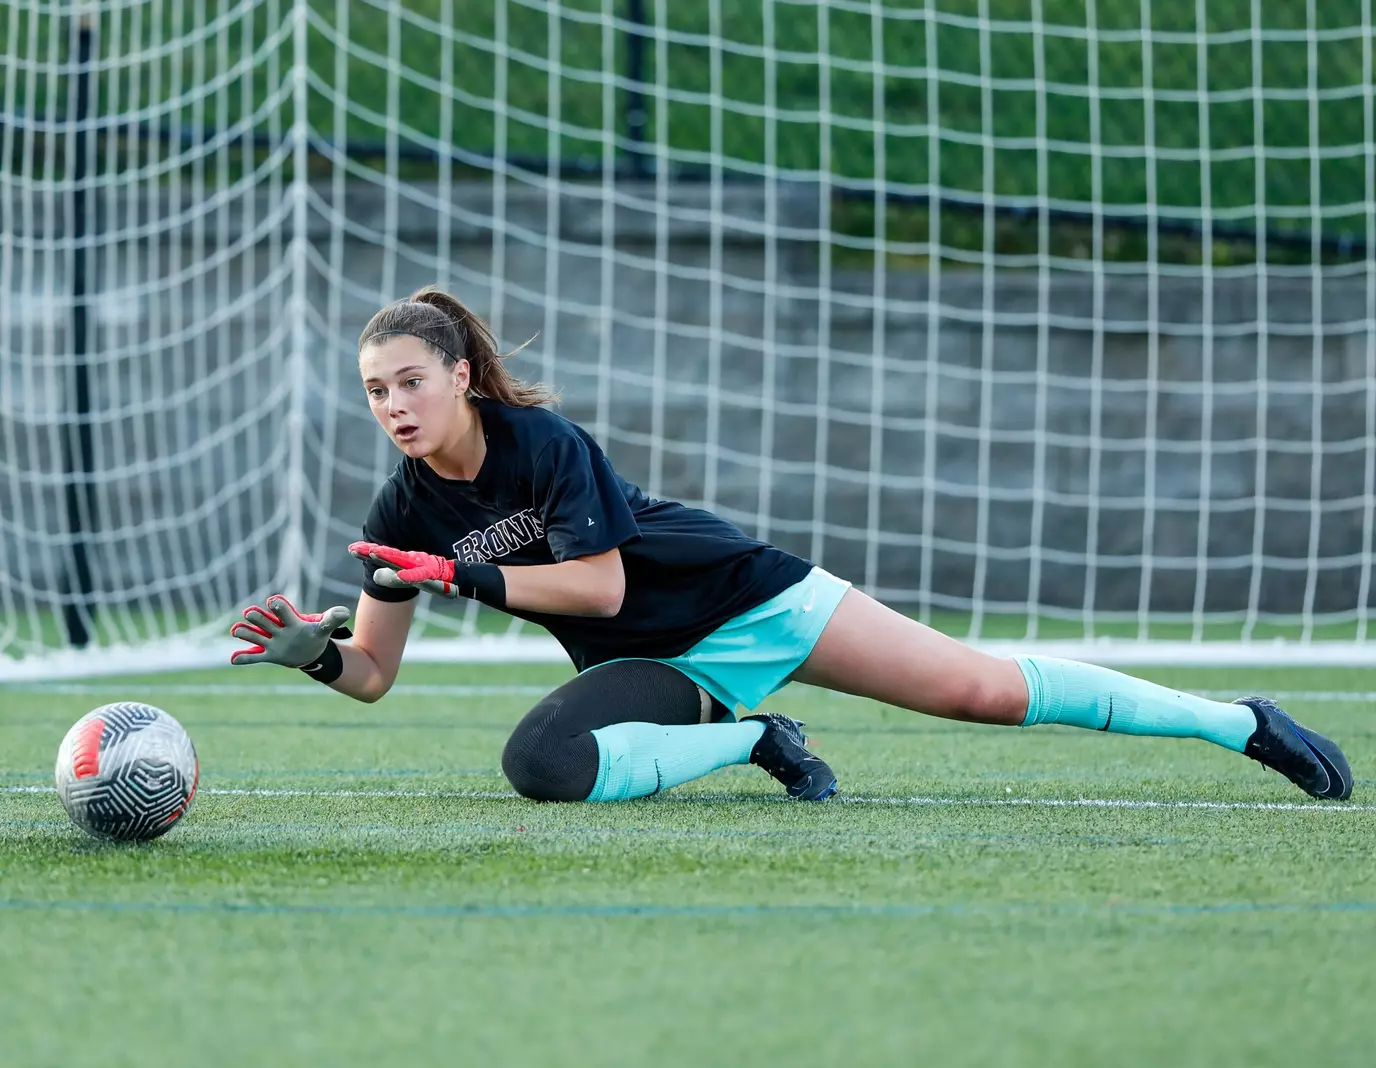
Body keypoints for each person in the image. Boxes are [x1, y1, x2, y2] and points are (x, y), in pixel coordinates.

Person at [228, 287, 1353, 804]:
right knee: (543, 769)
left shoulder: (542, 441)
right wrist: (312, 656)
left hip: (741, 597)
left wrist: (464, 572)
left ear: (459, 375)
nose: (393, 404)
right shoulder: (399, 510)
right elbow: (372, 673)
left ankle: (1237, 720)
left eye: (409, 380)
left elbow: (599, 579)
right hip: (664, 669)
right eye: (375, 389)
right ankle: (754, 739)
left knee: (976, 689)